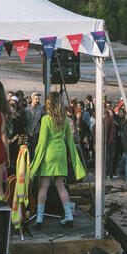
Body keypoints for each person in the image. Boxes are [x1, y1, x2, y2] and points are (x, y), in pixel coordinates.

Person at [29, 92, 85, 226]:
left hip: (49, 153)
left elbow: (42, 142)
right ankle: (69, 216)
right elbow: (70, 141)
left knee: (43, 187)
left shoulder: (46, 119)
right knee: (61, 186)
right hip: (61, 153)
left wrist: (35, 159)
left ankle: (39, 219)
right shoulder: (65, 119)